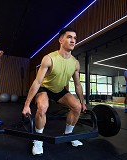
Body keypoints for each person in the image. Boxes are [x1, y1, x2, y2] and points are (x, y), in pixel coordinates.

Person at [22, 27, 87, 156]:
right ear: (61, 40)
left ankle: (68, 134)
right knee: (42, 106)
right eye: (69, 37)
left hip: (60, 90)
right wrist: (27, 104)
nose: (73, 40)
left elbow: (78, 85)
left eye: (75, 38)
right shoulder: (49, 58)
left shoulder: (75, 63)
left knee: (77, 107)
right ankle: (38, 140)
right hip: (44, 88)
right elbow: (37, 82)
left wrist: (82, 102)